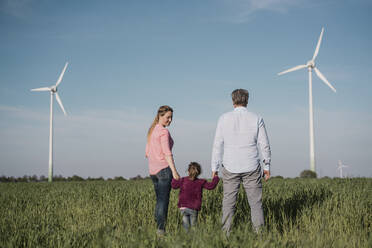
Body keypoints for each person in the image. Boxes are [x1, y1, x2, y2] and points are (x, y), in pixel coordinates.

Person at [211, 89, 271, 234]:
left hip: (230, 166)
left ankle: (225, 236)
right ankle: (260, 236)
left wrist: (215, 168)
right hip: (251, 165)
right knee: (256, 204)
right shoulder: (256, 118)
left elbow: (217, 144)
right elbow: (264, 144)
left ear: (233, 101)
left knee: (228, 204)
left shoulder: (223, 118)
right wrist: (266, 165)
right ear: (247, 101)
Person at [146, 105, 180, 235]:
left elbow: (147, 152)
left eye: (171, 117)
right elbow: (167, 153)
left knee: (159, 200)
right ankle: (161, 231)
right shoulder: (163, 132)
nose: (170, 120)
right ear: (160, 116)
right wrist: (174, 171)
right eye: (167, 117)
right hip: (164, 170)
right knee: (163, 201)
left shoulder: (152, 130)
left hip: (153, 171)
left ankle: (159, 229)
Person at [171, 162, 219, 231]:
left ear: (188, 171)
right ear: (199, 172)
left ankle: (187, 240)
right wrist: (216, 177)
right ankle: (194, 240)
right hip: (194, 208)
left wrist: (174, 178)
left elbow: (174, 186)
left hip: (183, 207)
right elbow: (211, 186)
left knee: (186, 228)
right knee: (194, 227)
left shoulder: (183, 180)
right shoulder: (201, 182)